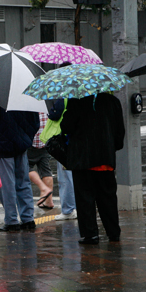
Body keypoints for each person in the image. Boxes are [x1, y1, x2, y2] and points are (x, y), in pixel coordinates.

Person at [60, 93, 125, 244]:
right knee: (108, 198)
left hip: (83, 160)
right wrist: (111, 147)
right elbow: (119, 132)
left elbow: (66, 127)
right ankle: (113, 232)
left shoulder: (76, 101)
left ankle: (90, 234)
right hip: (105, 160)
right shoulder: (113, 101)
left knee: (85, 198)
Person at [0, 101, 39, 232]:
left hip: (2, 145)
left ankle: (11, 220)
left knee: (6, 184)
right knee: (23, 182)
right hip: (22, 145)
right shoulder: (25, 95)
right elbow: (35, 122)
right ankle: (28, 218)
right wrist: (26, 138)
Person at [44, 99, 77, 221]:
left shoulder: (65, 97)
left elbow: (55, 115)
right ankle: (77, 207)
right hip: (81, 143)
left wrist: (52, 110)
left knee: (65, 178)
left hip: (66, 143)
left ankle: (68, 209)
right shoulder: (87, 97)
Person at [28, 112, 54, 209]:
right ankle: (49, 201)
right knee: (46, 170)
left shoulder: (29, 105)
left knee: (25, 167)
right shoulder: (45, 103)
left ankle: (43, 188)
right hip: (45, 141)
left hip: (32, 142)